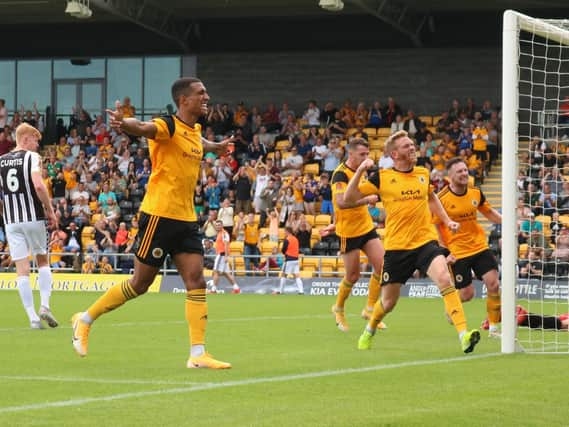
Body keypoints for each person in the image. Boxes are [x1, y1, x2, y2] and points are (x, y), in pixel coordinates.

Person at [71, 77, 232, 369]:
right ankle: (84, 319)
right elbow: (144, 128)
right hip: (159, 216)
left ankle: (198, 354)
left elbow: (200, 142)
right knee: (140, 284)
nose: (206, 97)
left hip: (186, 218)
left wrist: (217, 147)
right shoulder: (167, 125)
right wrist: (125, 122)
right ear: (184, 100)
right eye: (201, 93)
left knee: (196, 281)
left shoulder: (194, 131)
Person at [344, 130, 480, 354]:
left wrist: (447, 220)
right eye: (407, 146)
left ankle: (463, 335)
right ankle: (369, 330)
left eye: (412, 144)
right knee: (388, 303)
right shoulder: (382, 177)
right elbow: (348, 199)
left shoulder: (423, 173)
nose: (413, 148)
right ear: (395, 154)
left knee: (445, 279)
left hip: (425, 243)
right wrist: (360, 170)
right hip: (397, 248)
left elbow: (431, 196)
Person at [0, 123, 58, 329]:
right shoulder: (32, 158)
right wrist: (50, 211)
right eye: (35, 140)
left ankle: (33, 318)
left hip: (12, 221)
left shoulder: (1, 161)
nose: (37, 145)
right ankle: (44, 306)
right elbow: (39, 185)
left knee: (21, 269)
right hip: (33, 216)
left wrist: (4, 212)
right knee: (42, 260)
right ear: (25, 139)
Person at [436, 158, 502, 337]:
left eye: (465, 170)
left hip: (479, 246)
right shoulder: (441, 199)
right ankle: (452, 305)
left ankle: (494, 329)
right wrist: (444, 252)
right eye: (459, 171)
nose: (464, 174)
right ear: (450, 176)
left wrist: (508, 222)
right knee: (467, 294)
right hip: (457, 252)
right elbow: (436, 227)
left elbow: (488, 212)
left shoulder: (475, 192)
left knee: (494, 284)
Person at [325, 138, 385, 332]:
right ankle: (339, 308)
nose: (367, 158)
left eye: (368, 154)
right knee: (353, 275)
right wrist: (366, 199)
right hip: (348, 232)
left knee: (383, 266)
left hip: (366, 227)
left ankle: (369, 308)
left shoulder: (363, 171)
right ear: (350, 154)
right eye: (362, 155)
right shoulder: (340, 175)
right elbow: (341, 203)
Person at [209, 220, 240, 294]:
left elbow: (226, 245)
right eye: (216, 225)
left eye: (219, 225)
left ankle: (213, 290)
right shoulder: (220, 233)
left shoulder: (224, 233)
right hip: (221, 255)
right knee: (226, 273)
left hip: (222, 255)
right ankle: (236, 289)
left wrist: (226, 256)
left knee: (215, 271)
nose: (217, 226)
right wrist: (211, 222)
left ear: (222, 225)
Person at [274, 227, 304, 295]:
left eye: (285, 231)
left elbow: (283, 250)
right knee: (297, 275)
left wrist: (285, 253)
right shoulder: (296, 239)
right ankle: (301, 291)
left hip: (289, 259)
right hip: (296, 259)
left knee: (284, 274)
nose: (284, 233)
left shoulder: (287, 239)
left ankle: (281, 291)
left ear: (288, 232)